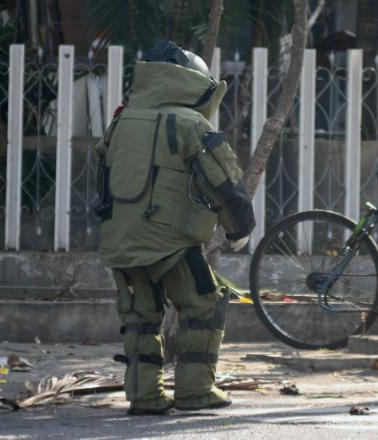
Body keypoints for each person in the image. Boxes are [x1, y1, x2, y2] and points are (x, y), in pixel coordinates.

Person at [93, 39, 255, 415]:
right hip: (171, 242)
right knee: (203, 305)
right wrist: (238, 228)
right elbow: (223, 182)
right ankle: (196, 392)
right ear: (192, 82)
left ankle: (144, 397)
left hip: (120, 237)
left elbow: (103, 175)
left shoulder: (121, 119)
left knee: (139, 317)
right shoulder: (190, 123)